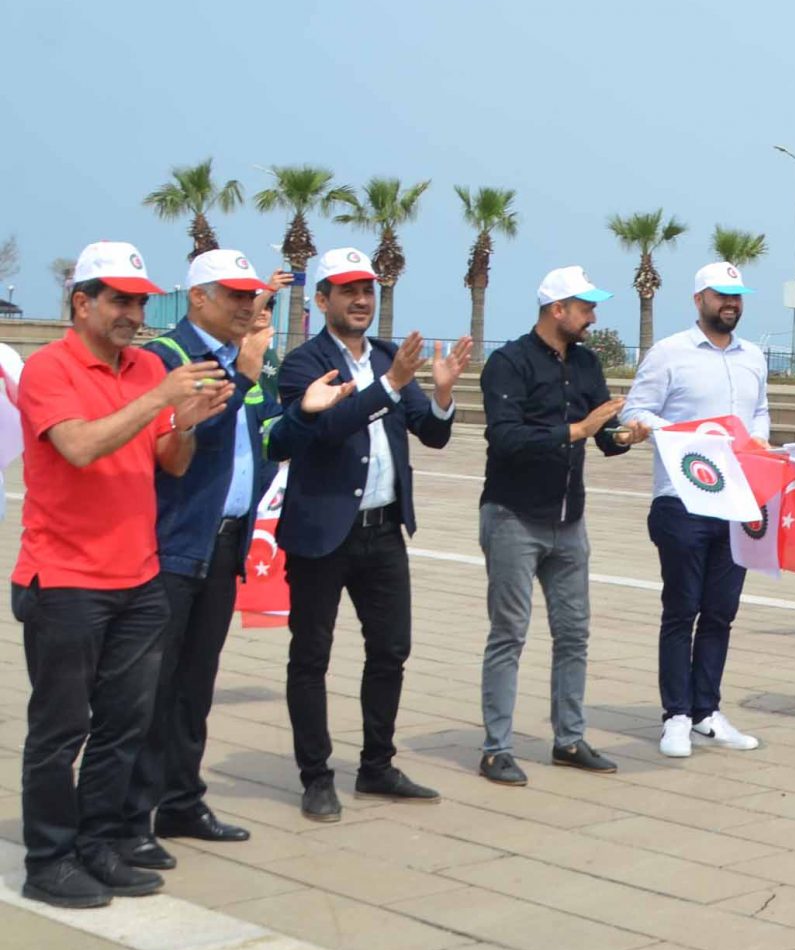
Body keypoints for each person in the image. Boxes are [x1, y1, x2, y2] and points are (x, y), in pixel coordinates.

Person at [11, 243, 235, 908]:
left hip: (138, 577)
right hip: (65, 580)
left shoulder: (143, 367)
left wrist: (185, 424)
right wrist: (161, 397)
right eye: (119, 299)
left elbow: (168, 461)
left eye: (140, 300)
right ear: (81, 303)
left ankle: (101, 845)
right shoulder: (49, 369)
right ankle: (48, 858)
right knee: (60, 730)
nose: (133, 313)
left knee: (122, 724)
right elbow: (79, 446)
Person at [268, 246, 462, 820]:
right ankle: (315, 775)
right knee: (311, 656)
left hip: (382, 533)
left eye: (367, 290)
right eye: (347, 290)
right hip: (322, 534)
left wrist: (443, 393)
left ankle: (376, 765)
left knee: (391, 650)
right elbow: (324, 428)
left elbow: (431, 433)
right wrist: (392, 385)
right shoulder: (304, 364)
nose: (360, 300)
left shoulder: (384, 356)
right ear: (322, 299)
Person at [119, 250, 286, 866]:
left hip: (225, 542)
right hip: (171, 545)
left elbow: (261, 436)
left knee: (195, 683)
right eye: (234, 295)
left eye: (251, 295)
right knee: (151, 689)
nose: (248, 305)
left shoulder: (243, 362)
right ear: (197, 298)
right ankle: (134, 816)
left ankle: (182, 799)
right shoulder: (165, 359)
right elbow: (177, 438)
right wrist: (240, 377)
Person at [476, 264, 644, 784]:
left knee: (574, 634)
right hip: (513, 516)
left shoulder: (588, 362)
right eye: (585, 307)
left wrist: (622, 437)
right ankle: (495, 748)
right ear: (557, 310)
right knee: (510, 632)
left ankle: (568, 738)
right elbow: (505, 438)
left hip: (569, 520)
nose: (593, 316)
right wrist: (579, 428)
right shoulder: (508, 363)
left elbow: (602, 435)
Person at [622, 260, 771, 759]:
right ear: (698, 299)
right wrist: (680, 438)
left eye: (737, 295)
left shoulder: (754, 356)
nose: (730, 302)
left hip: (736, 502)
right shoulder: (669, 353)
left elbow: (761, 411)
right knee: (681, 609)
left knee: (721, 613)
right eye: (720, 294)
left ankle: (707, 710)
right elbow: (635, 411)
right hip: (682, 500)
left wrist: (762, 440)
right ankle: (676, 716)